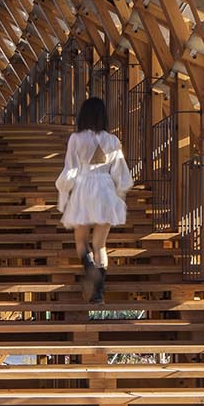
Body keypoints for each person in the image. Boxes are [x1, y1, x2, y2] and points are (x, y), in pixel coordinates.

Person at [55, 96, 132, 305]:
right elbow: (120, 173)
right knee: (100, 245)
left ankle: (90, 270)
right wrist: (119, 194)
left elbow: (70, 169)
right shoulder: (113, 141)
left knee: (81, 240)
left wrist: (63, 189)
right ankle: (98, 292)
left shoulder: (76, 139)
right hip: (106, 189)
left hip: (83, 189)